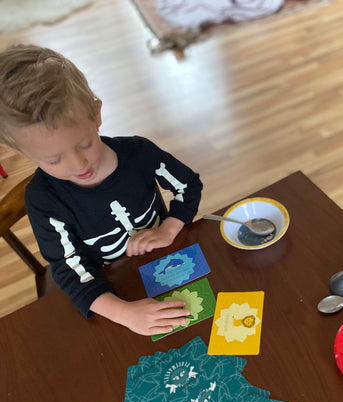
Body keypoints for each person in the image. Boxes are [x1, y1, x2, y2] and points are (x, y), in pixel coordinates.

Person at [0, 44, 203, 335]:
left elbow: (188, 186)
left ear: (96, 113)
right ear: (19, 151)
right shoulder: (43, 200)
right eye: (53, 160)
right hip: (110, 289)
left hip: (167, 255)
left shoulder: (139, 152)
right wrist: (125, 313)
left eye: (84, 144)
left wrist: (170, 226)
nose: (78, 164)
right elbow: (69, 270)